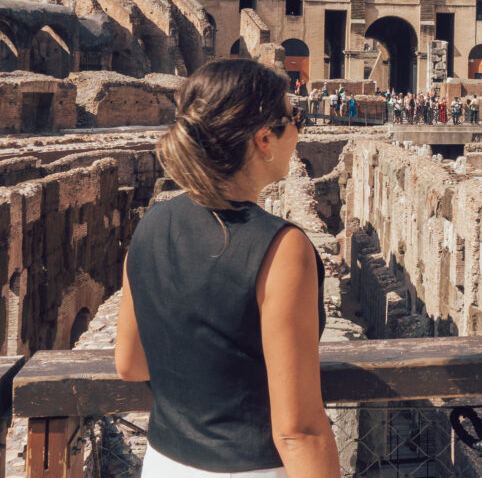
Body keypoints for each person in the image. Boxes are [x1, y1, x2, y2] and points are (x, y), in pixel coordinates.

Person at [115, 59, 339, 477]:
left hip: (163, 463)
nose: (300, 130)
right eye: (296, 118)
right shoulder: (281, 248)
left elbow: (130, 363)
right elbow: (299, 430)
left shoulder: (151, 224)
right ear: (264, 139)